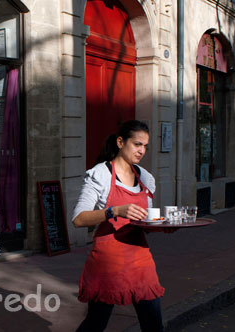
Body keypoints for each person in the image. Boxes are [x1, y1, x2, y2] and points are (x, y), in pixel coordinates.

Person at [72, 120, 170, 332]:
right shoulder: (102, 174)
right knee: (95, 324)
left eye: (145, 146)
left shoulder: (145, 177)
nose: (142, 150)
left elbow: (144, 222)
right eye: (137, 144)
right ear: (120, 142)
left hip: (140, 257)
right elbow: (78, 219)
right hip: (108, 260)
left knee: (154, 325)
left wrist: (163, 226)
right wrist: (114, 211)